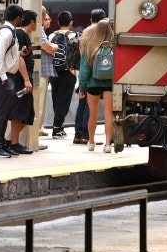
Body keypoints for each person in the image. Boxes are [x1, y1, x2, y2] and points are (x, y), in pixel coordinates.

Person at [0, 4, 25, 159]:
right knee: (0, 112)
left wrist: (20, 53)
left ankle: (1, 144)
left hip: (7, 77)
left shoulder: (11, 32)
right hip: (2, 77)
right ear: (18, 18)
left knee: (4, 112)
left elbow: (7, 55)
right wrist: (3, 77)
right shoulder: (6, 33)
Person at [22, 6, 59, 152]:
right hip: (41, 71)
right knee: (39, 104)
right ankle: (35, 136)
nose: (45, 16)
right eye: (44, 14)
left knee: (38, 104)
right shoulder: (40, 30)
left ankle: (35, 134)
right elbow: (48, 48)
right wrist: (55, 46)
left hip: (40, 70)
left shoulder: (36, 29)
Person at [78, 17, 116, 152]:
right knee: (108, 114)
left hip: (93, 83)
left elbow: (84, 70)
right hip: (109, 84)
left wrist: (82, 87)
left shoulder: (90, 45)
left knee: (92, 114)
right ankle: (107, 144)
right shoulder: (114, 45)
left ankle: (91, 142)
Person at [4, 10, 39, 155]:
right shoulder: (20, 35)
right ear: (32, 22)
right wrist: (26, 79)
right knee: (18, 112)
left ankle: (9, 141)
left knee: (28, 114)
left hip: (25, 79)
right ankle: (14, 143)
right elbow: (20, 58)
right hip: (20, 80)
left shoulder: (24, 36)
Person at [73, 9, 108, 144]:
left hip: (83, 72)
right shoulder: (100, 32)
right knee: (90, 107)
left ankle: (78, 135)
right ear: (103, 20)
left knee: (82, 105)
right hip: (96, 74)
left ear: (90, 19)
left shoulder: (85, 32)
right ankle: (87, 135)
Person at [49, 11, 80, 139]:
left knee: (56, 99)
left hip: (53, 72)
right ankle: (57, 128)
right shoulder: (75, 35)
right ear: (71, 22)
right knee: (64, 100)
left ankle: (58, 126)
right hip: (68, 72)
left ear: (58, 22)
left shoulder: (51, 35)